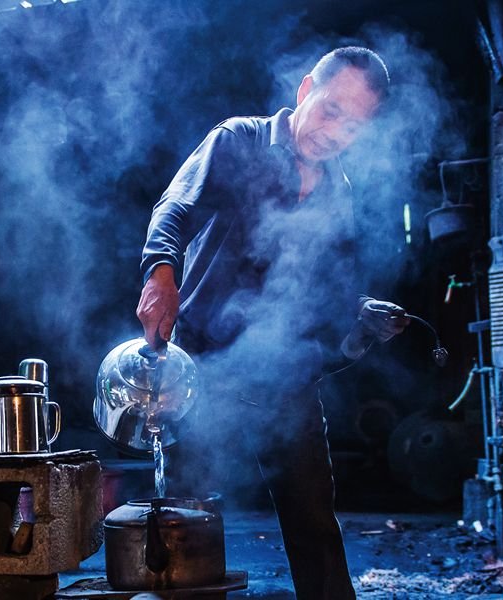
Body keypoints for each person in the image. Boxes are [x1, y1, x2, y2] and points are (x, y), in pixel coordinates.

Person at [136, 47, 410, 599]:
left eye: (353, 125)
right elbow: (174, 208)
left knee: (315, 521)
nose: (336, 132)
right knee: (186, 518)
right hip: (203, 368)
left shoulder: (339, 194)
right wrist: (160, 274)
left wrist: (359, 324)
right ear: (306, 89)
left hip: (285, 379)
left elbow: (330, 301)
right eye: (331, 110)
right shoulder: (238, 140)